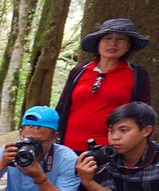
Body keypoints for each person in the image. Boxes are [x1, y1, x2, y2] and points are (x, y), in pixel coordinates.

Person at [56, 19, 152, 155]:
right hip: (68, 148)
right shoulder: (79, 71)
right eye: (107, 38)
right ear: (98, 43)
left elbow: (144, 114)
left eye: (120, 39)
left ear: (128, 46)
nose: (113, 43)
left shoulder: (137, 74)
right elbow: (62, 106)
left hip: (112, 150)